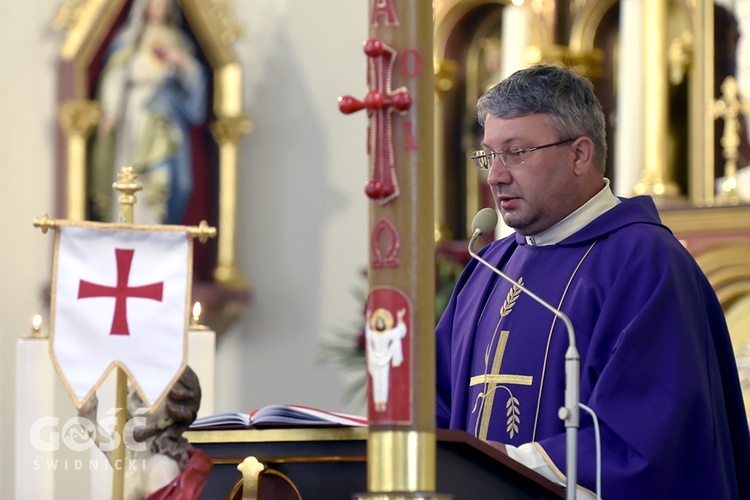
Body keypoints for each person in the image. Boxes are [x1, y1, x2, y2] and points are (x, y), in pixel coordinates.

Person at [435, 64, 750, 499]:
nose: (495, 175)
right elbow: (436, 407)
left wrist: (507, 463)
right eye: (489, 154)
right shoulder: (488, 267)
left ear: (580, 154)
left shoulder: (645, 263)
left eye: (517, 152)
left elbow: (654, 443)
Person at [89, 0, 207, 225]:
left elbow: (195, 78)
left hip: (168, 114)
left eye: (163, 5)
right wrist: (111, 111)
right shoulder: (131, 39)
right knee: (133, 171)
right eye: (153, 4)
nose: (158, 9)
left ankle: (159, 223)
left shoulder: (179, 42)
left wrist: (182, 62)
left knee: (169, 175)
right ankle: (131, 224)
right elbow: (116, 75)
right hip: (137, 111)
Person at [79, 366, 212, 500]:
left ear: (167, 417)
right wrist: (90, 422)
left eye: (140, 400)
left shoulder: (160, 468)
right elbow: (124, 463)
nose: (126, 405)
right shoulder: (143, 457)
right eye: (127, 394)